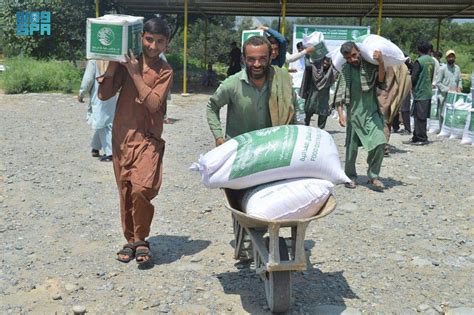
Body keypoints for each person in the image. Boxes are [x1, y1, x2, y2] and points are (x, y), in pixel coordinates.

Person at [97, 17, 173, 265]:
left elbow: (153, 104)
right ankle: (132, 240)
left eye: (159, 41)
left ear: (167, 44)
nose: (153, 46)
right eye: (149, 39)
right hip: (122, 138)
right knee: (126, 190)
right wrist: (111, 67)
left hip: (148, 139)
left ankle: (141, 237)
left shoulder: (165, 71)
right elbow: (104, 94)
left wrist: (133, 72)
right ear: (141, 38)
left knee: (141, 189)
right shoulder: (125, 62)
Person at [207, 35, 294, 146]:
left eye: (262, 59)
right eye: (251, 59)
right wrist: (218, 137)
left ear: (270, 58)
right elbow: (212, 107)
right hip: (240, 150)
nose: (257, 64)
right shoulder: (232, 84)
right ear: (243, 59)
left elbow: (294, 108)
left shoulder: (282, 80)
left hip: (273, 149)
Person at [335, 41, 386, 190]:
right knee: (351, 149)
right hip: (354, 115)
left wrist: (381, 61)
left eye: (354, 55)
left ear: (358, 51)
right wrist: (341, 114)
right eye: (348, 58)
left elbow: (381, 80)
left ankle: (373, 176)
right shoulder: (346, 70)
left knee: (380, 142)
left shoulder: (370, 66)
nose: (353, 59)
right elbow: (340, 93)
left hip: (372, 113)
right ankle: (350, 177)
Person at [77, 60, 117, 161]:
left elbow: (88, 79)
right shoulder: (114, 58)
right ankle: (95, 147)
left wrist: (82, 92)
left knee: (102, 123)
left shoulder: (94, 60)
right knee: (104, 120)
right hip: (111, 94)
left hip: (99, 94)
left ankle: (110, 152)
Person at [404, 41, 435, 145]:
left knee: (419, 116)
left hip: (420, 92)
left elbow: (414, 77)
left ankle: (421, 138)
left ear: (418, 50)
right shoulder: (432, 60)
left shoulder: (419, 61)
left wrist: (408, 86)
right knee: (420, 115)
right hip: (427, 91)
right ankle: (416, 137)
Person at [376, 63, 411, 155]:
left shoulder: (385, 63)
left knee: (382, 120)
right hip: (394, 96)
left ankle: (382, 146)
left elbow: (381, 79)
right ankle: (383, 145)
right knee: (387, 120)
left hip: (384, 95)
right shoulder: (401, 64)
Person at [300, 56, 336, 129]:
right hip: (313, 96)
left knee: (323, 114)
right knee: (308, 112)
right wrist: (307, 55)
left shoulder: (331, 72)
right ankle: (306, 127)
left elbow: (338, 68)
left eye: (327, 63)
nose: (325, 64)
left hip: (324, 98)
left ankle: (321, 130)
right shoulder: (315, 69)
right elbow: (307, 65)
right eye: (324, 62)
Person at [436, 50, 462, 130]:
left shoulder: (457, 68)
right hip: (444, 95)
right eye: (449, 57)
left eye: (452, 56)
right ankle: (441, 130)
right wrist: (448, 89)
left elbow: (460, 79)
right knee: (442, 113)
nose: (451, 58)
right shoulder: (442, 68)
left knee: (452, 113)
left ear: (455, 57)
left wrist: (460, 87)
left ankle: (449, 130)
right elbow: (438, 82)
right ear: (446, 58)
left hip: (454, 95)